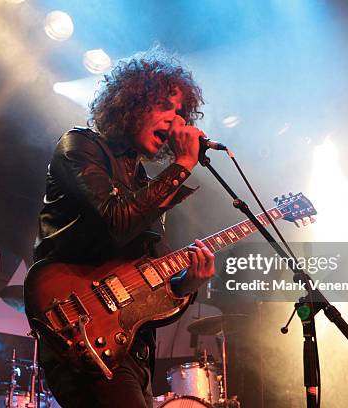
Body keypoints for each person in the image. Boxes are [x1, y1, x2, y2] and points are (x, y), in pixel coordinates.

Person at [31, 48, 215, 408]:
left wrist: (188, 283)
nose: (176, 123)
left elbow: (146, 285)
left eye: (181, 113)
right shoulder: (79, 145)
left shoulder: (144, 181)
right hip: (80, 330)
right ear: (131, 103)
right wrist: (182, 163)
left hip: (128, 348)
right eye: (164, 105)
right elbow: (117, 223)